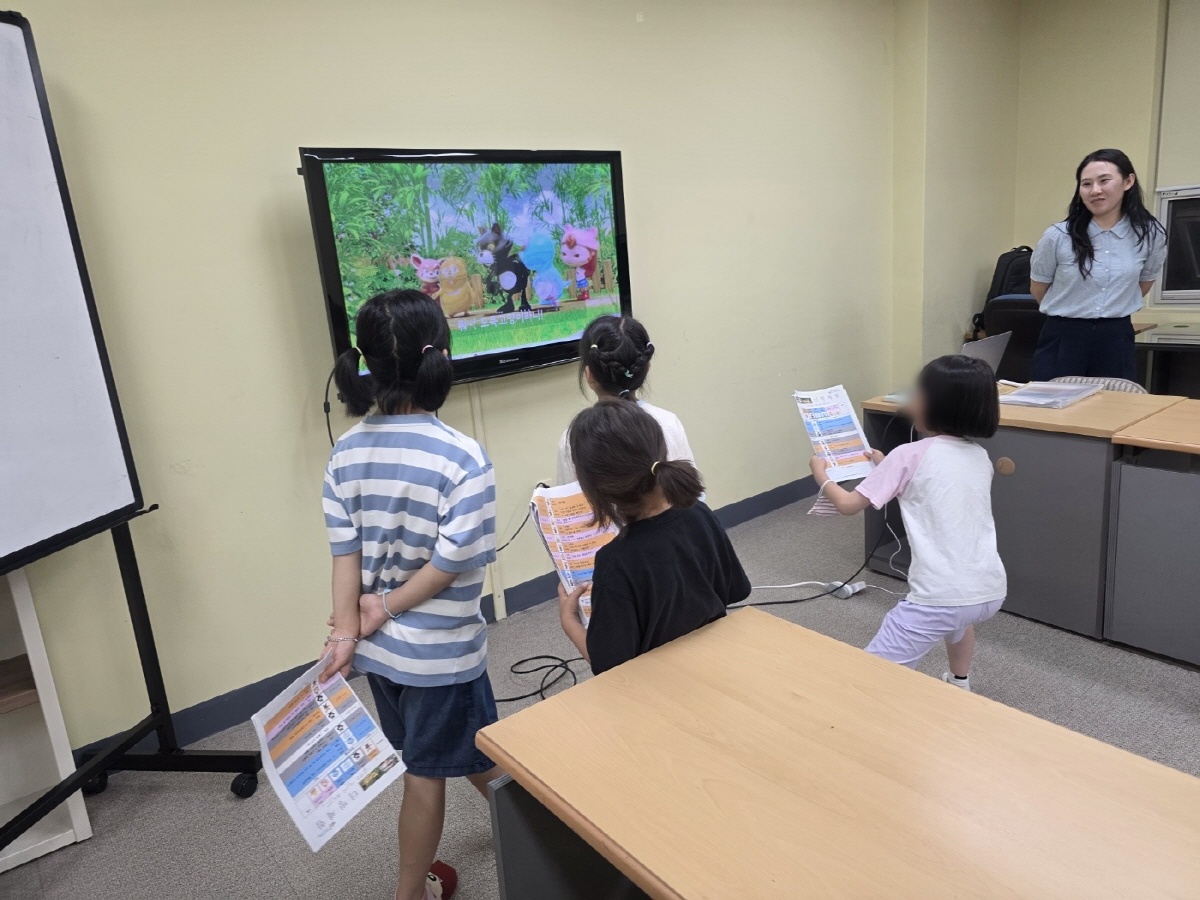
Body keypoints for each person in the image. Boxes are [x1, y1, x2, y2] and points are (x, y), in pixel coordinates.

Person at [320, 289, 500, 900]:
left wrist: (348, 632)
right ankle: (409, 892)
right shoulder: (462, 456)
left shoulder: (345, 452)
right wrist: (385, 607)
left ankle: (537, 824)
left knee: (466, 745)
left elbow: (344, 555)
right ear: (440, 356)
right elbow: (451, 562)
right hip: (440, 658)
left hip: (381, 657)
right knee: (426, 770)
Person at [809, 356, 1006, 691]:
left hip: (939, 596)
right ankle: (959, 684)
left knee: (872, 676)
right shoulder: (979, 456)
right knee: (960, 622)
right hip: (988, 590)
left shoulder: (908, 455)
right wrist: (886, 464)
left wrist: (822, 476)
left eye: (917, 392)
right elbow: (931, 481)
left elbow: (847, 505)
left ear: (934, 403)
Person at [557, 400, 751, 674]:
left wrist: (569, 621)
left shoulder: (616, 561)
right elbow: (737, 590)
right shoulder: (700, 513)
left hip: (659, 684)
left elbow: (608, 664)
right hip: (717, 665)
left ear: (593, 486)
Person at [1029, 148, 1167, 381]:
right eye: (1086, 184)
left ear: (1128, 181)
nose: (1095, 190)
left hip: (1116, 337)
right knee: (1055, 400)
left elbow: (1143, 283)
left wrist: (1112, 305)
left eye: (1104, 181)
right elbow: (1038, 288)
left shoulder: (1150, 234)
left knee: (1115, 401)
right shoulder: (1058, 236)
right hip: (1064, 336)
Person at [556, 314, 695, 485]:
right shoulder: (669, 423)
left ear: (588, 374)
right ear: (647, 367)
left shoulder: (572, 440)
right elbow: (693, 493)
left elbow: (568, 498)